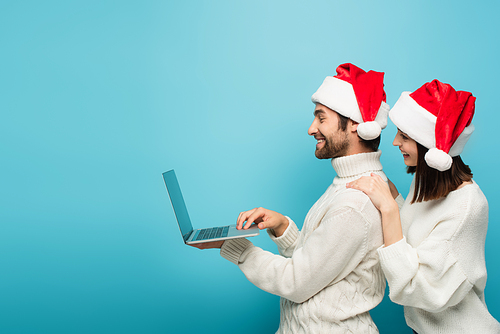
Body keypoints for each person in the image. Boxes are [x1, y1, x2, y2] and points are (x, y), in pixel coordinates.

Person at [192, 63, 393, 333]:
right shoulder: (347, 185)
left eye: (321, 118)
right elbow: (319, 264)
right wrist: (283, 227)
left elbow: (297, 283)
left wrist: (234, 247)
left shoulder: (354, 203)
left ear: (356, 124)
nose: (312, 129)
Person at [347, 80, 500, 333]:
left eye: (405, 137)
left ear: (431, 148)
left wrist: (389, 209)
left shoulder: (468, 206)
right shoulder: (424, 184)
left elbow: (414, 287)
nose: (395, 142)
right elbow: (415, 238)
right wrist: (393, 196)